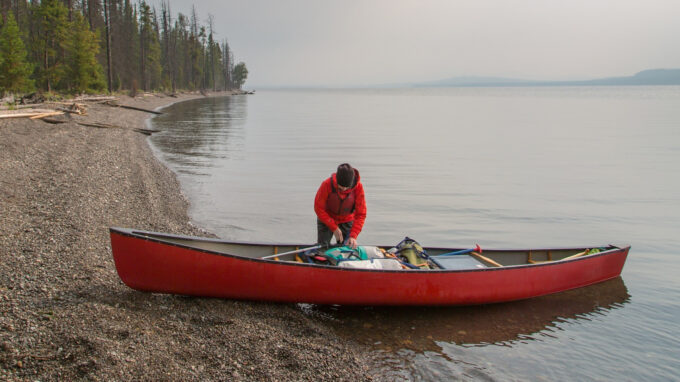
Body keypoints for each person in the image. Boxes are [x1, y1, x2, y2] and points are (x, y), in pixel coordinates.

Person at [314, 163, 366, 249]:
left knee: (347, 248)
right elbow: (318, 208)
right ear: (337, 181)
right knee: (322, 248)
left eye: (347, 188)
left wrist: (353, 235)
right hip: (327, 219)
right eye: (341, 188)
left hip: (347, 220)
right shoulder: (326, 184)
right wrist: (333, 227)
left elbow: (361, 214)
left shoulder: (358, 188)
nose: (344, 190)